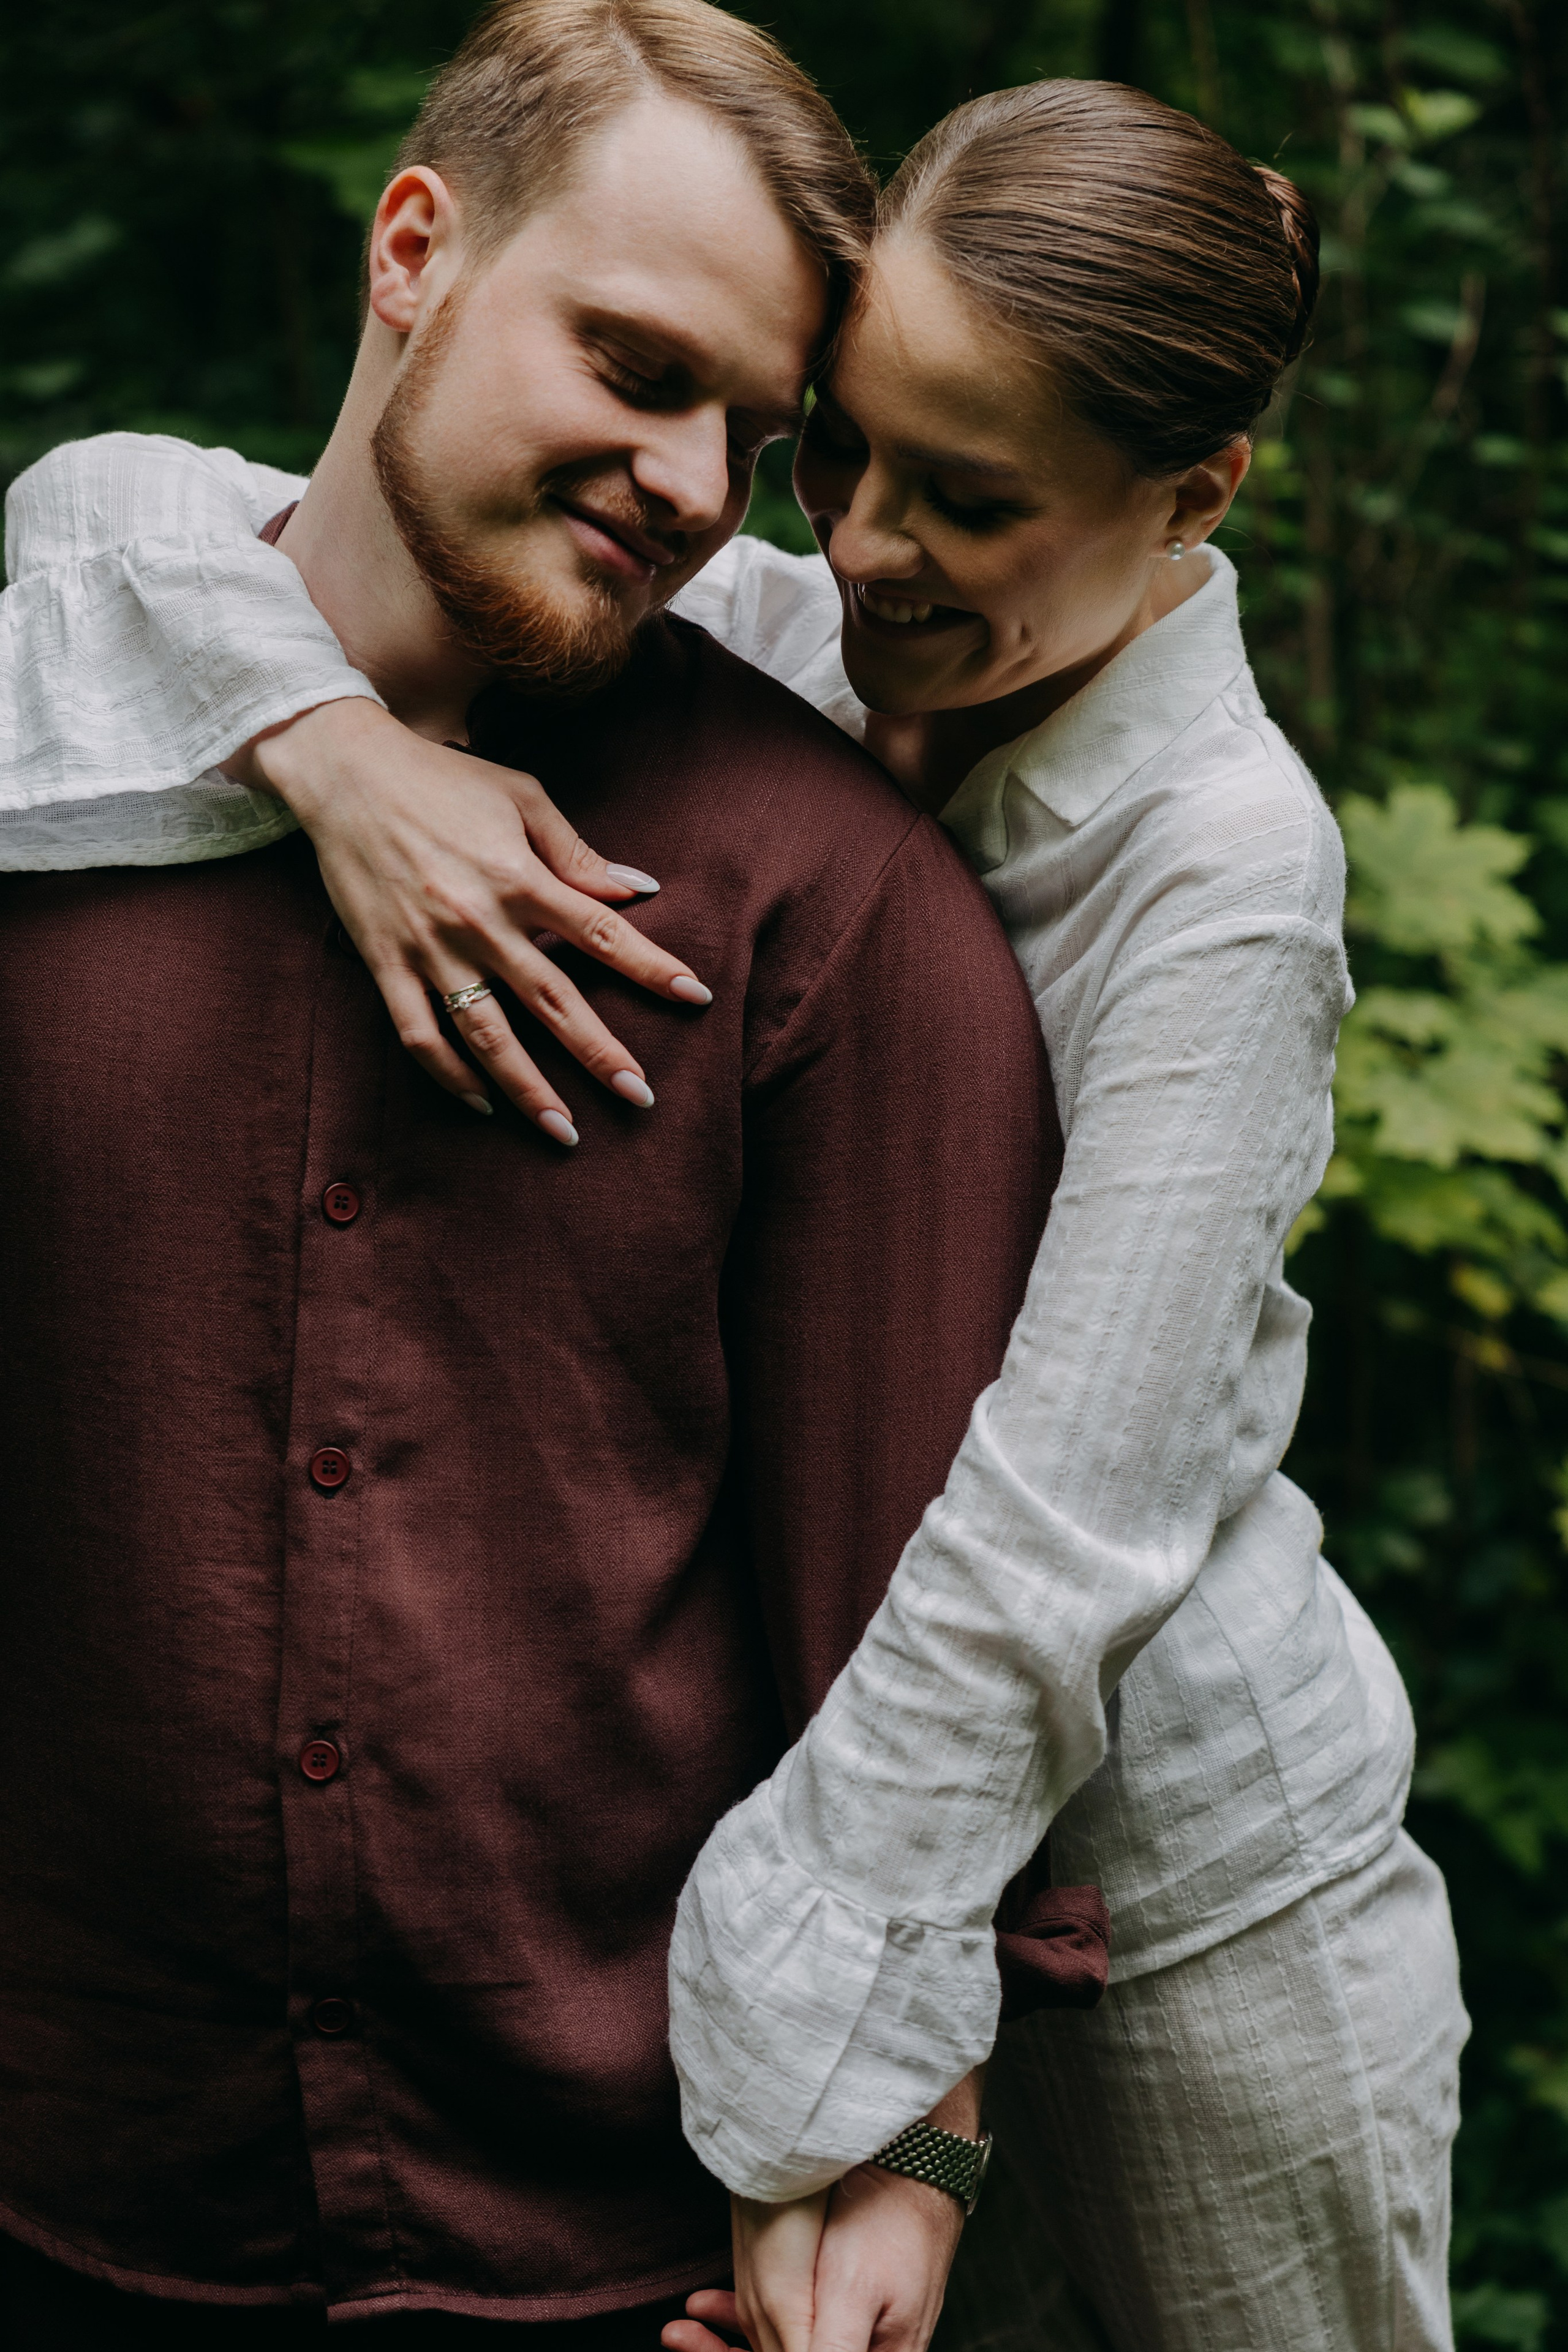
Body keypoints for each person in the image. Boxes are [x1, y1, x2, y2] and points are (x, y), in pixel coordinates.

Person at [2, 64, 1469, 2352]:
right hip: (876, 1874)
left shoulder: (1225, 870)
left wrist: (877, 2104)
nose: (853, 540)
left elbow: (1045, 1546)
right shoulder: (775, 631)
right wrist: (332, 743)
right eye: (839, 458)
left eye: (961, 500)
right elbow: (114, 505)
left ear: (1191, 500)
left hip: (1175, 1849)